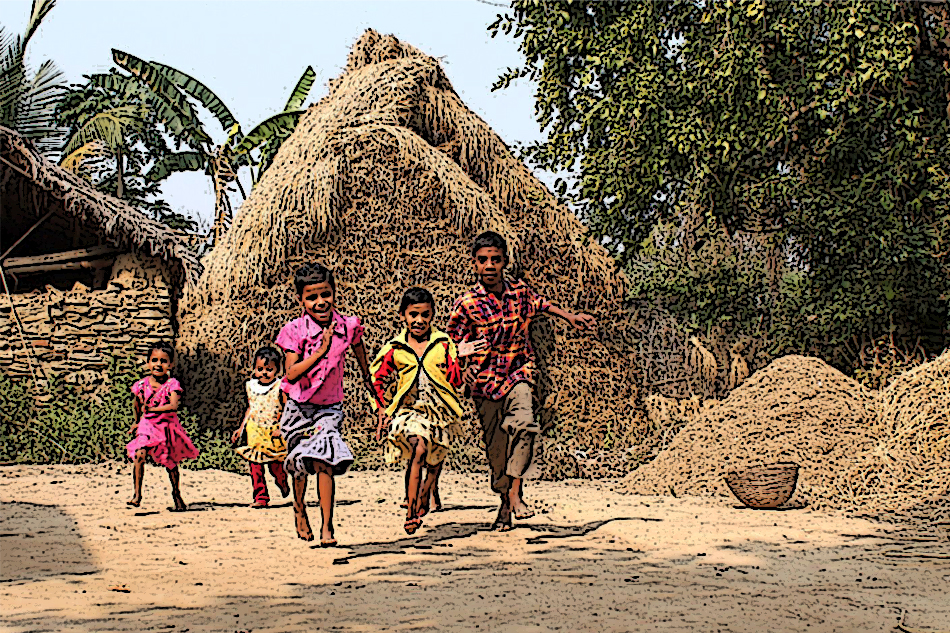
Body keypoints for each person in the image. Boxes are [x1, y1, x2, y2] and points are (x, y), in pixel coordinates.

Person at [447, 231, 598, 531]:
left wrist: (570, 317)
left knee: (526, 424)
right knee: (496, 447)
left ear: (505, 261)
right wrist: (462, 357)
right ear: (474, 264)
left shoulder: (519, 292)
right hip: (484, 381)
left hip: (519, 370)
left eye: (496, 260)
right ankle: (505, 502)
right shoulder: (466, 303)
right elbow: (448, 341)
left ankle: (516, 493)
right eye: (483, 260)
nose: (490, 265)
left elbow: (542, 305)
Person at [369, 287, 486, 534]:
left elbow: (454, 379)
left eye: (425, 315)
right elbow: (375, 378)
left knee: (435, 458)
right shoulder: (395, 348)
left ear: (432, 315)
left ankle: (426, 492)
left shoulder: (444, 344)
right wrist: (381, 408)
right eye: (413, 315)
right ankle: (411, 510)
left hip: (440, 412)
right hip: (409, 412)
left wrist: (460, 358)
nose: (419, 320)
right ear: (403, 316)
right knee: (418, 448)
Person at [275, 262, 374, 546]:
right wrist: (321, 350)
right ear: (301, 300)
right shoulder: (294, 331)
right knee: (298, 466)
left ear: (334, 292)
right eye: (312, 297)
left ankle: (327, 527)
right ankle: (299, 507)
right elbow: (291, 373)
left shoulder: (348, 325)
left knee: (324, 460)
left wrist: (369, 379)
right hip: (298, 406)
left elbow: (358, 348)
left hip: (329, 407)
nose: (320, 302)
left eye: (326, 294)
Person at [126, 341, 199, 511]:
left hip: (166, 427)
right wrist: (137, 422)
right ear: (148, 362)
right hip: (148, 424)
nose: (158, 364)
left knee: (170, 463)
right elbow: (137, 404)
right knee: (139, 454)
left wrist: (153, 408)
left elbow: (173, 406)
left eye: (163, 361)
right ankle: (137, 494)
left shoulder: (172, 384)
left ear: (171, 364)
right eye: (154, 360)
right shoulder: (142, 385)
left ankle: (176, 493)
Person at [231, 346, 290, 508]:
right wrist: (241, 428)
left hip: (273, 433)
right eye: (260, 369)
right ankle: (261, 497)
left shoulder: (280, 386)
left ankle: (282, 481)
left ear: (277, 370)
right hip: (254, 432)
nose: (264, 373)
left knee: (275, 465)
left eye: (269, 369)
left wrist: (283, 427)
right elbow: (251, 408)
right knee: (255, 467)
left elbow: (286, 407)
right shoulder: (250, 386)